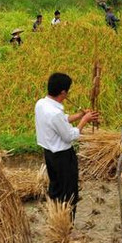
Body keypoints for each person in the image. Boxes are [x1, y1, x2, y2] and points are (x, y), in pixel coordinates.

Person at [35, 73, 99, 220]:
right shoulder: (55, 113)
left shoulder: (41, 104)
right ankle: (66, 226)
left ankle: (55, 220)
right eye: (67, 90)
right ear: (63, 92)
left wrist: (79, 115)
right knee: (69, 193)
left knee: (56, 189)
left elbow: (61, 121)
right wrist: (84, 120)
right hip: (63, 157)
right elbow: (70, 135)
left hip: (50, 154)